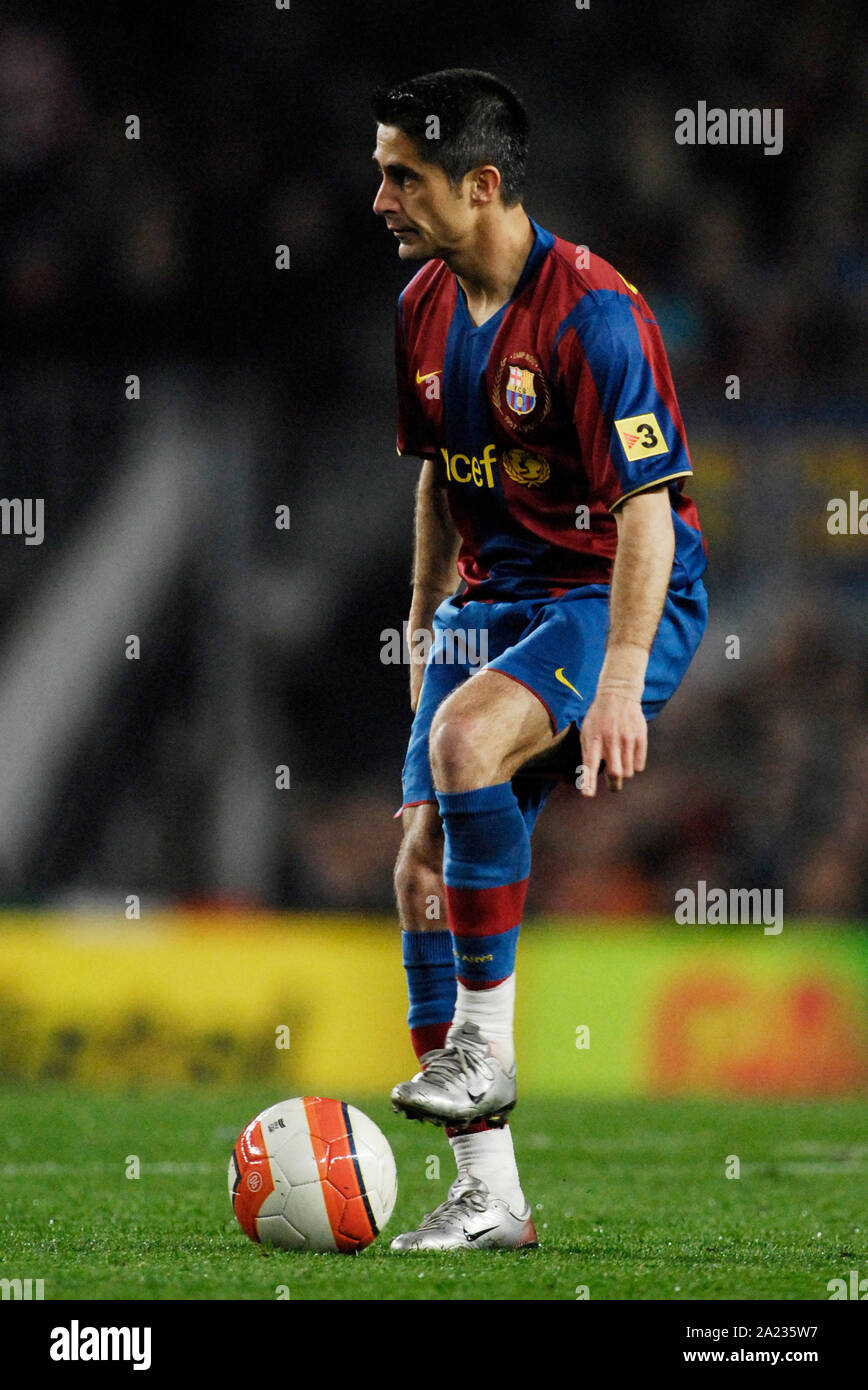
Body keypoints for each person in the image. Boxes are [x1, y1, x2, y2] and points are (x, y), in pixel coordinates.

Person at [371, 68, 707, 1251]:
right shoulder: (420, 304)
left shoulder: (593, 313)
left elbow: (651, 512)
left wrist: (618, 679)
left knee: (468, 744)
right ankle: (489, 1198)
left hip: (609, 589)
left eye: (400, 176)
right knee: (416, 864)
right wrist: (424, 624)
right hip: (492, 597)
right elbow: (437, 474)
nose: (380, 198)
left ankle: (486, 1049)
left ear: (483, 184)